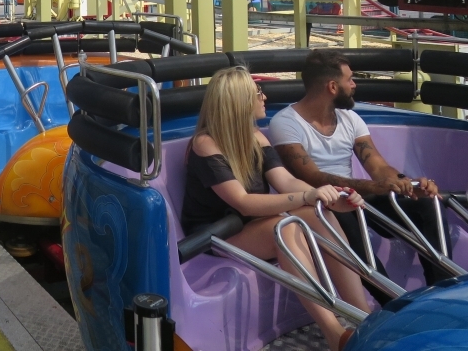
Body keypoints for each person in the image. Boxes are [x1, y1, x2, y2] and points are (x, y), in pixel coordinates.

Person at [182, 66, 367, 350]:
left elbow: (287, 181)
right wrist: (307, 197)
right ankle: (333, 333)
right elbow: (243, 203)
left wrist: (327, 199)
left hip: (249, 225)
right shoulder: (205, 144)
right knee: (287, 227)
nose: (264, 97)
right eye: (258, 93)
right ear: (240, 102)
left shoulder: (256, 137)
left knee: (317, 213)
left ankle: (363, 318)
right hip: (216, 234)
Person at [270, 49, 450, 306]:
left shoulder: (350, 118)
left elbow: (377, 165)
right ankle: (396, 307)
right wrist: (375, 186)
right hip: (319, 204)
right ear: (333, 86)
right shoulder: (286, 123)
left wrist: (406, 183)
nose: (354, 85)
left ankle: (442, 292)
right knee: (346, 222)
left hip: (355, 196)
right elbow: (312, 176)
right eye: (350, 79)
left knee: (426, 204)